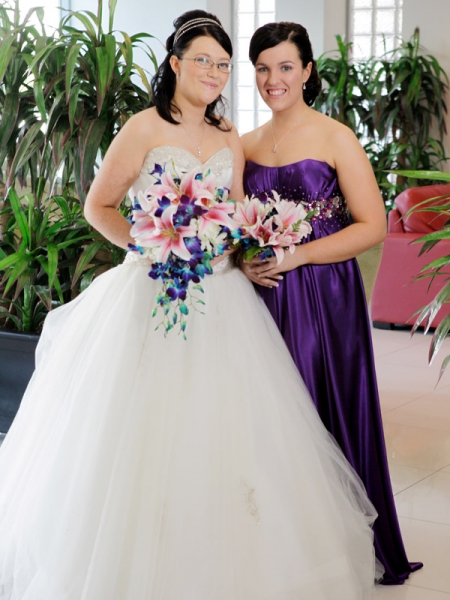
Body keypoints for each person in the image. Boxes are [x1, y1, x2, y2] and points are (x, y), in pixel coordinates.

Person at [0, 11, 378, 599]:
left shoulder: (231, 135)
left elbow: (231, 215)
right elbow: (98, 207)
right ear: (175, 65)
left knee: (235, 435)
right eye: (202, 60)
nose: (214, 72)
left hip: (223, 296)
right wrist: (152, 246)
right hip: (152, 291)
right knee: (140, 433)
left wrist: (236, 251)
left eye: (223, 65)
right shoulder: (144, 127)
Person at [240, 21, 422, 585]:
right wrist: (244, 260)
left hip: (323, 294)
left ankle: (339, 545)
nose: (274, 79)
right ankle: (275, 543)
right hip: (261, 295)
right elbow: (232, 226)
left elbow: (370, 225)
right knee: (267, 415)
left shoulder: (336, 136)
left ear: (308, 71)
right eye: (263, 68)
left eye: (285, 67)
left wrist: (298, 256)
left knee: (322, 406)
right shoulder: (243, 144)